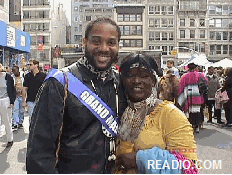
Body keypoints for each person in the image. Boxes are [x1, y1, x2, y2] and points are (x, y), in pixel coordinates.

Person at [26, 17, 127, 173]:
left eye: (111, 43)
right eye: (96, 41)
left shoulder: (121, 82)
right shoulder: (59, 83)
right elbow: (39, 153)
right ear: (84, 42)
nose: (104, 48)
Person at [116, 53, 198, 174]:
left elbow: (189, 166)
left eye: (144, 76)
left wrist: (139, 159)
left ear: (153, 81)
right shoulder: (120, 111)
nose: (136, 81)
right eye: (130, 76)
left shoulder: (170, 114)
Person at [178, 63, 208, 133]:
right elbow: (206, 84)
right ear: (195, 68)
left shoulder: (184, 76)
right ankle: (197, 126)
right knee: (197, 111)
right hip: (197, 95)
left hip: (187, 95)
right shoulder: (201, 75)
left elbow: (180, 87)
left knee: (189, 111)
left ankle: (190, 126)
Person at [0, 63, 16, 147]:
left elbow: (13, 89)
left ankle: (10, 139)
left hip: (5, 100)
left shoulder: (7, 76)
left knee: (7, 121)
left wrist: (12, 102)